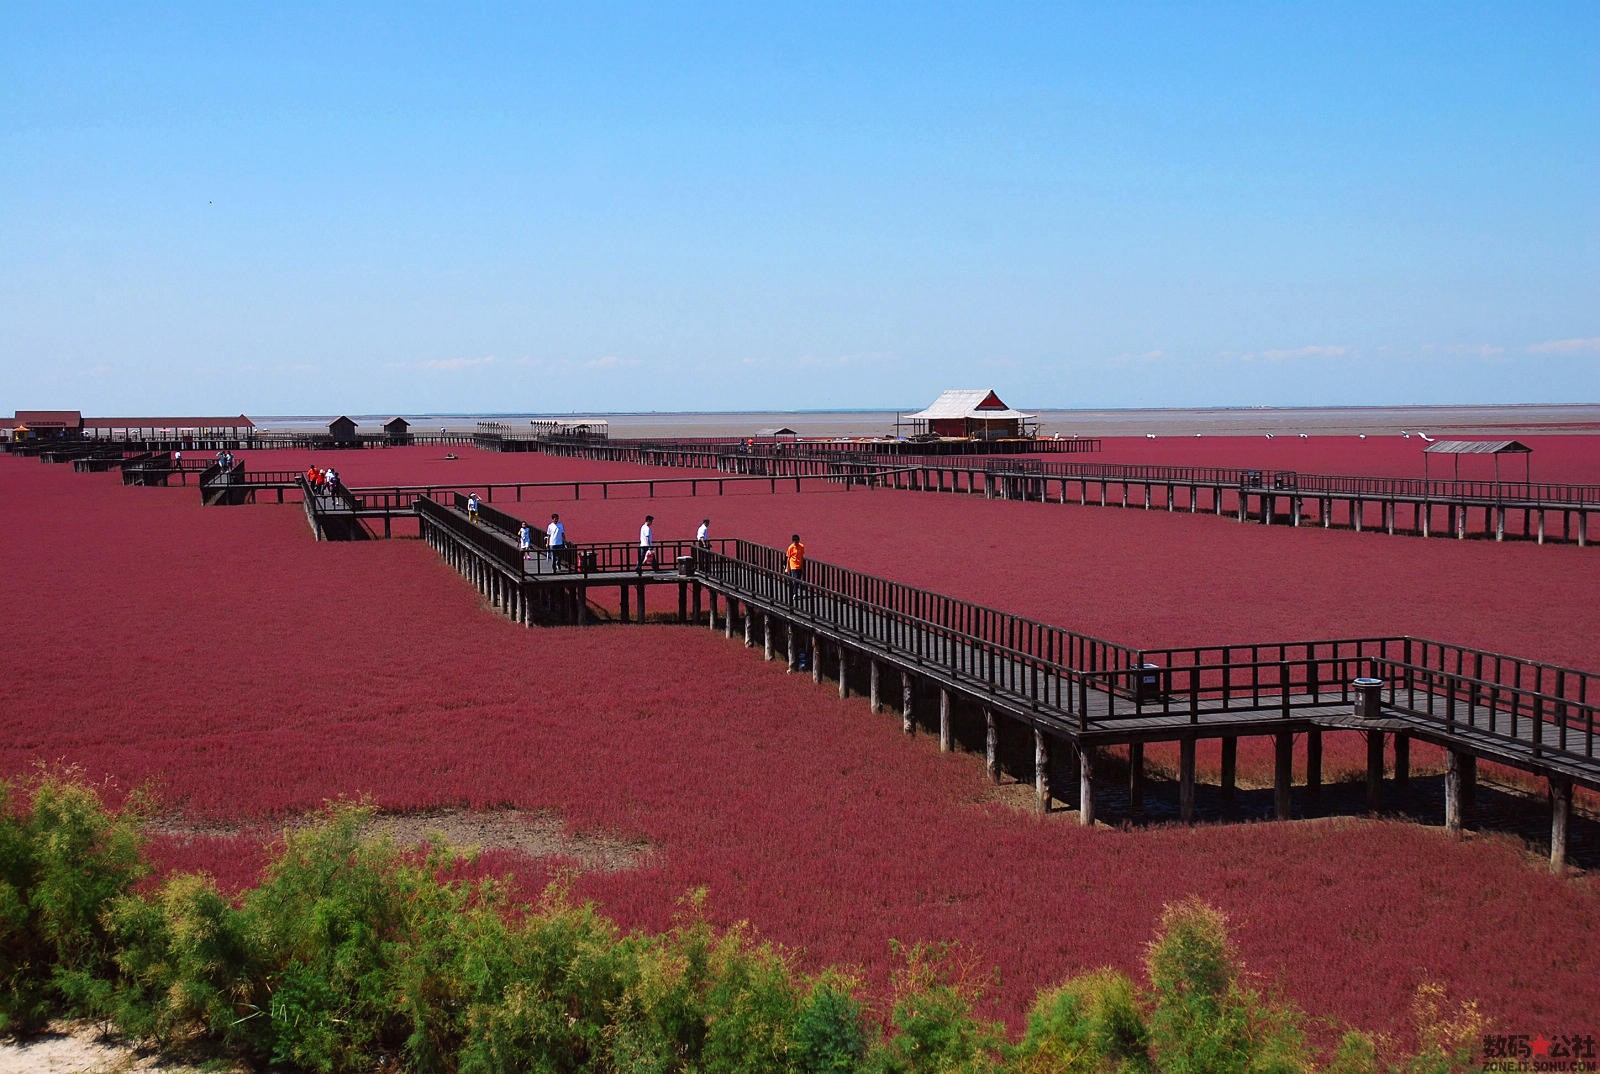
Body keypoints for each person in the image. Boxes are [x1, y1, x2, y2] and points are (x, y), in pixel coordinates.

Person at [785, 533, 805, 601]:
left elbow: (802, 556)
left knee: (798, 580)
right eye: (795, 541)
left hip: (799, 565)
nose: (797, 542)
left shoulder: (801, 546)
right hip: (793, 565)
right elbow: (788, 558)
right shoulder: (790, 547)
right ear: (793, 541)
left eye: (798, 541)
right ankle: (795, 593)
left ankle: (795, 591)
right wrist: (787, 568)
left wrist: (802, 567)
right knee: (795, 579)